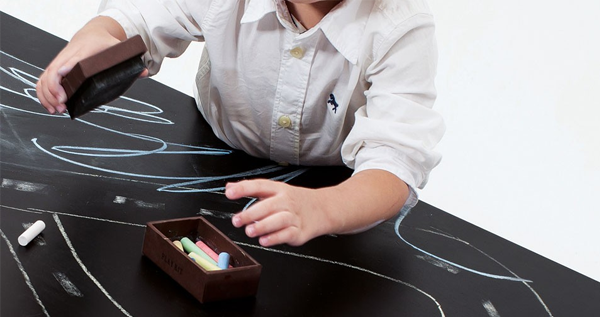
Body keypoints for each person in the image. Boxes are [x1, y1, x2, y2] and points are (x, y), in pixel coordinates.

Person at [36, 0, 445, 247]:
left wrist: (326, 207)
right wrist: (99, 35)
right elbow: (141, 15)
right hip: (214, 152)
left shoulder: (400, 24)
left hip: (335, 189)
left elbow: (395, 162)